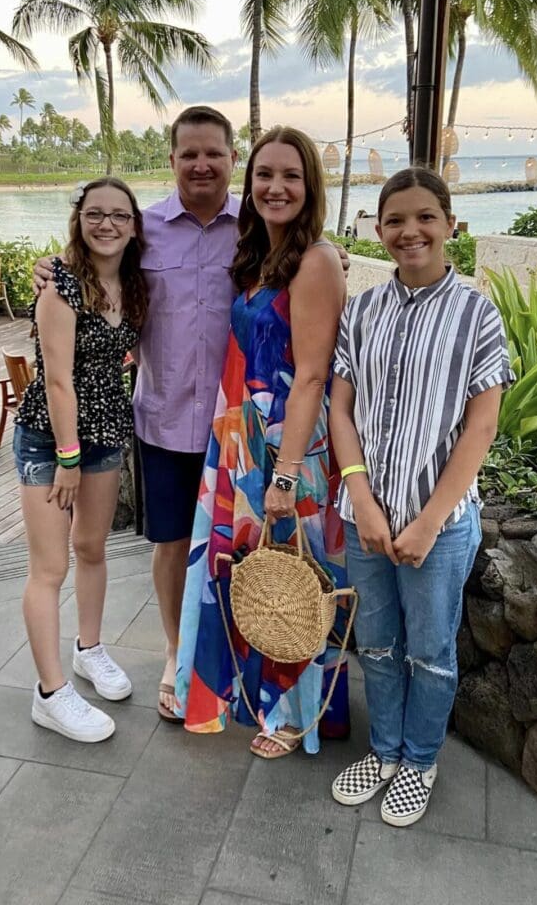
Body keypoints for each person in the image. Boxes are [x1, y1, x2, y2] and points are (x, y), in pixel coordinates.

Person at [33, 106, 349, 725]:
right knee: (177, 545)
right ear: (172, 160)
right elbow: (92, 266)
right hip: (169, 422)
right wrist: (53, 269)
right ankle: (181, 657)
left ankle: (252, 662)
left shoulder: (257, 230)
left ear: (233, 160)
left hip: (246, 435)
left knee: (254, 550)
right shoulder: (143, 231)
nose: (202, 165)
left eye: (214, 154)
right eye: (188, 154)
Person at [328, 167, 513, 826]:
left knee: (430, 652)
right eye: (396, 220)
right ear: (378, 230)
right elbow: (341, 411)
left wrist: (429, 523)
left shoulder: (476, 313)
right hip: (367, 520)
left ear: (449, 224)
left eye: (424, 217)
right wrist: (365, 502)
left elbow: (481, 425)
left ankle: (419, 760)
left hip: (439, 526)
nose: (410, 231)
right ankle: (383, 752)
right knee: (375, 641)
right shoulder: (363, 308)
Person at [175, 126, 349, 758]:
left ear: (311, 187)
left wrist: (284, 473)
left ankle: (294, 717)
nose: (276, 187)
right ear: (249, 185)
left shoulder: (316, 260)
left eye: (291, 176)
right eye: (265, 175)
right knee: (262, 580)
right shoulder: (259, 256)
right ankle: (258, 699)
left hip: (289, 446)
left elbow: (309, 375)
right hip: (246, 439)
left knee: (297, 576)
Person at [16, 176, 147, 743]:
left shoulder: (137, 283)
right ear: (79, 218)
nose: (108, 224)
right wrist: (68, 457)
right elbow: (59, 381)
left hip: (105, 433)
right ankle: (50, 694)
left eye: (120, 215)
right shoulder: (60, 285)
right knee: (50, 567)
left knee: (92, 548)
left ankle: (88, 649)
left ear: (135, 224)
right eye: (96, 213)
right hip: (52, 439)